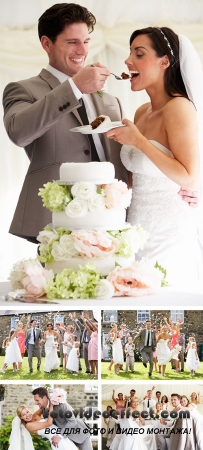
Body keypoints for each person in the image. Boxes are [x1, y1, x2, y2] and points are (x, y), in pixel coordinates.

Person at [3, 2, 127, 243]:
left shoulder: (111, 101)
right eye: (72, 42)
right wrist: (74, 87)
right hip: (54, 221)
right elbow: (18, 132)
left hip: (109, 220)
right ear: (46, 43)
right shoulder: (23, 90)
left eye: (86, 42)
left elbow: (121, 163)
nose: (82, 51)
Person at [106, 26, 203, 284]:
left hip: (169, 234)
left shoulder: (179, 108)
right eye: (129, 54)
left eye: (139, 54)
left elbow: (190, 179)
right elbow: (135, 176)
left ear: (164, 62)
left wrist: (138, 140)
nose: (128, 61)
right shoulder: (141, 112)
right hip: (135, 231)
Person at [9, 402, 78, 450]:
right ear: (21, 418)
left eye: (27, 412)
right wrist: (51, 406)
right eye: (23, 415)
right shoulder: (29, 426)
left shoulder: (35, 416)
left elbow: (43, 406)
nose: (27, 415)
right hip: (57, 442)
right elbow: (49, 423)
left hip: (63, 437)